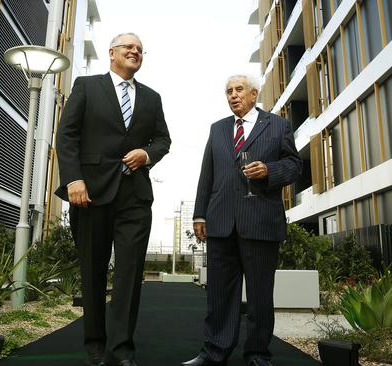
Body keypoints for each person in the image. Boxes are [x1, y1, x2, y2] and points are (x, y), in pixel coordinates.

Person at [55, 32, 171, 366]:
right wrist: (73, 178)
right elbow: (67, 136)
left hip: (134, 196)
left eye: (140, 49)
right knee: (92, 273)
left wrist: (146, 154)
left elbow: (163, 139)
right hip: (89, 194)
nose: (135, 51)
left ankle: (120, 351)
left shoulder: (152, 98)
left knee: (129, 275)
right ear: (111, 53)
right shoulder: (87, 86)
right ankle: (95, 347)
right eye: (128, 47)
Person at [183, 74, 301, 366]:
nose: (233, 95)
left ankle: (258, 355)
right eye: (228, 91)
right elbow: (206, 175)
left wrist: (269, 171)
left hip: (260, 221)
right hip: (221, 222)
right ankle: (214, 352)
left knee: (260, 296)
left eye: (239, 90)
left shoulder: (277, 126)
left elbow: (294, 165)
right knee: (219, 296)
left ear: (253, 94)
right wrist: (200, 213)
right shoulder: (219, 129)